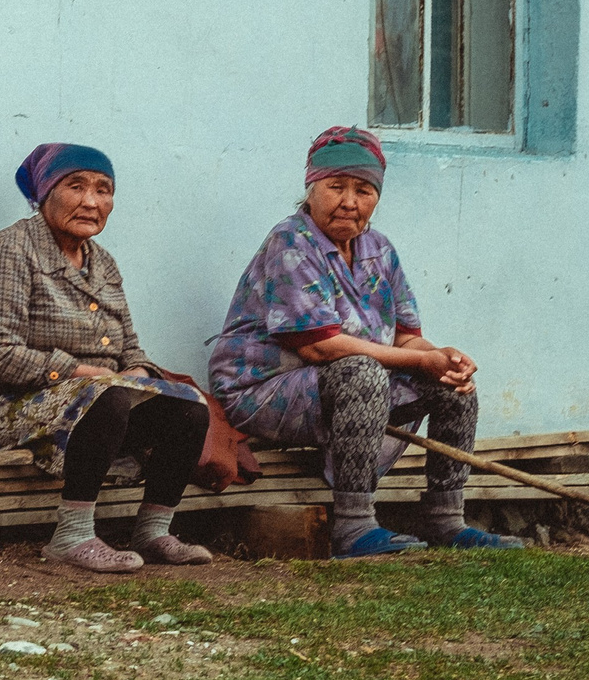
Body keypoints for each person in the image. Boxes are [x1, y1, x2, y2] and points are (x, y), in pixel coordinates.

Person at [208, 126, 522, 559]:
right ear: (311, 188)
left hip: (339, 386)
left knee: (450, 382)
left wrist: (439, 357)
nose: (350, 201)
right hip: (261, 390)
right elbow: (319, 348)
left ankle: (445, 518)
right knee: (362, 371)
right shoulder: (292, 241)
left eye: (364, 190)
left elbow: (407, 338)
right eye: (336, 187)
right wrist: (418, 361)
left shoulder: (380, 250)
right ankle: (353, 525)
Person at [0, 142, 214, 574]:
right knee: (103, 397)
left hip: (91, 402)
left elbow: (131, 346)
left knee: (185, 407)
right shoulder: (10, 251)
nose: (92, 201)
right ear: (45, 193)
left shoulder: (103, 262)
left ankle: (153, 530)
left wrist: (137, 372)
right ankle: (71, 535)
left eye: (103, 189)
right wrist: (82, 372)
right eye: (76, 186)